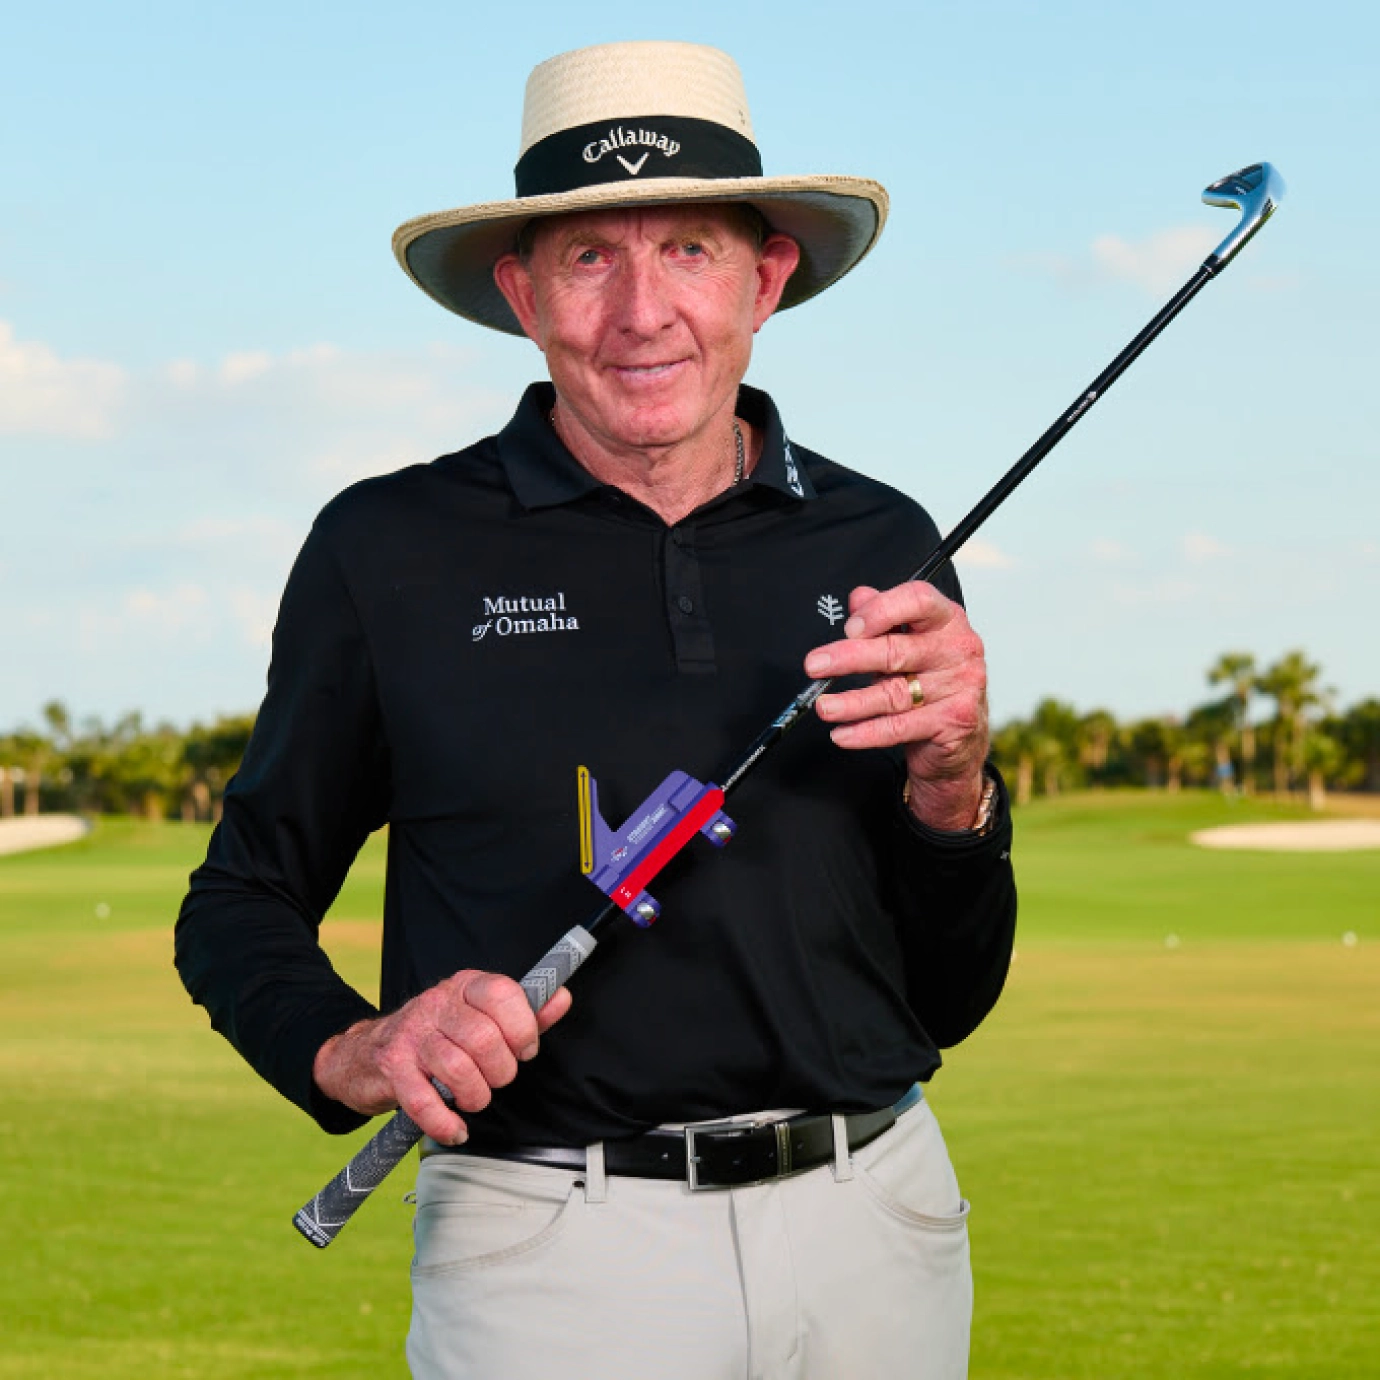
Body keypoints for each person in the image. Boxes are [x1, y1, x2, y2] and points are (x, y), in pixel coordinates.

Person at [175, 39, 1016, 1380]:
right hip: (548, 1252)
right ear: (520, 291)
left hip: (879, 1225)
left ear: (768, 275)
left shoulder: (882, 539)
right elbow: (237, 902)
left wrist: (954, 785)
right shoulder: (386, 547)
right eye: (588, 258)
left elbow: (955, 994)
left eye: (688, 250)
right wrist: (358, 1045)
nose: (640, 315)